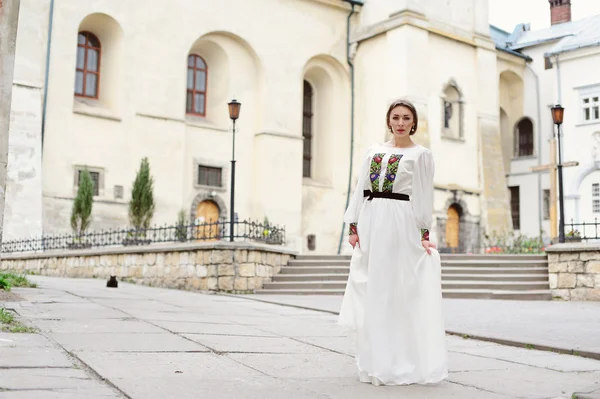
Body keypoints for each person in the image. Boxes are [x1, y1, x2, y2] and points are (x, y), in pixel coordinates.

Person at [338, 99, 448, 386]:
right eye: (396, 117)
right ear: (389, 120)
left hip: (401, 222)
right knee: (372, 289)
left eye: (406, 118)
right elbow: (360, 188)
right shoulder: (373, 151)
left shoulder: (422, 155)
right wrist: (353, 226)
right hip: (372, 221)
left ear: (413, 123)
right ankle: (374, 361)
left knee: (398, 291)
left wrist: (424, 235)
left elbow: (423, 196)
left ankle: (400, 361)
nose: (400, 122)